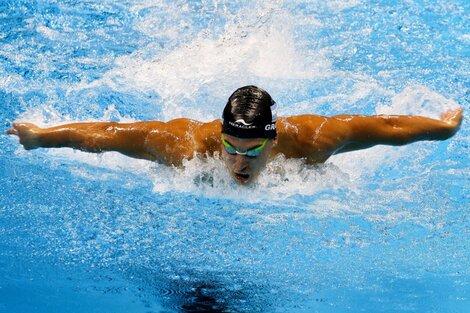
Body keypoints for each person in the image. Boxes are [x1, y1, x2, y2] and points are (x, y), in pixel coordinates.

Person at [7, 85, 463, 184]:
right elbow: (108, 133)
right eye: (231, 149)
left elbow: (388, 127)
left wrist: (443, 129)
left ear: (273, 141)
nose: (238, 163)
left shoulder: (312, 139)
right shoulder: (189, 145)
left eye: (251, 151)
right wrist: (42, 135)